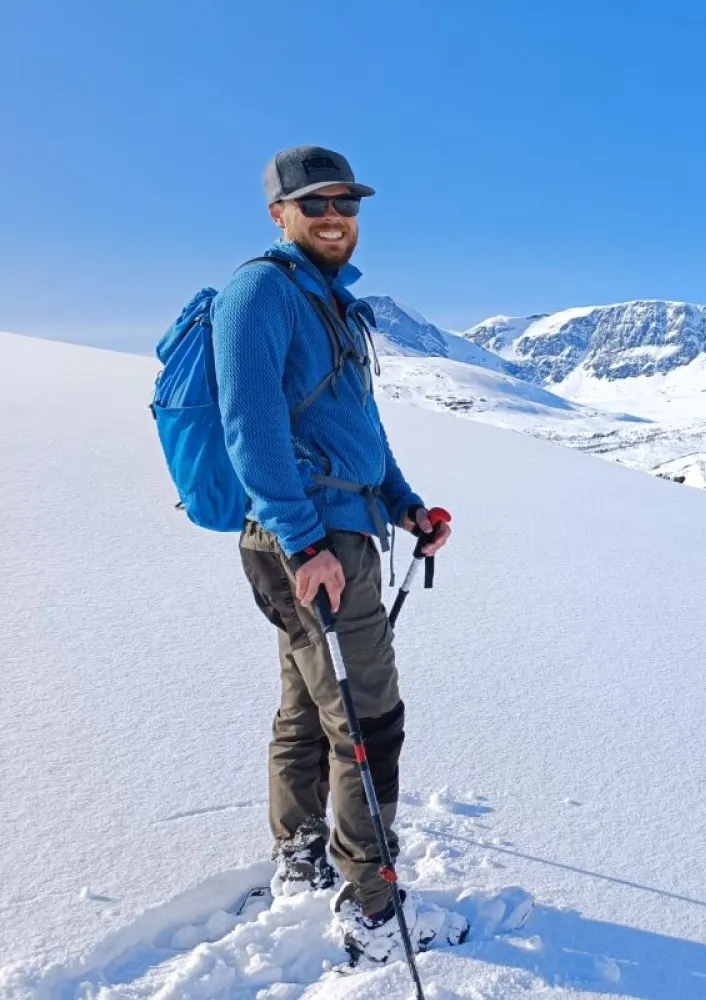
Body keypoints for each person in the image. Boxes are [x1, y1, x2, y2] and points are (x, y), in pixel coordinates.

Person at [210, 144, 458, 963]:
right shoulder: (262, 292)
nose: (333, 216)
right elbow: (252, 424)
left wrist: (405, 505)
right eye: (314, 202)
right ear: (279, 213)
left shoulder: (333, 305)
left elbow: (360, 432)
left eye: (346, 203)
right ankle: (373, 909)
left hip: (334, 536)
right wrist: (305, 540)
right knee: (367, 717)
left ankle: (301, 855)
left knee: (309, 705)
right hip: (307, 543)